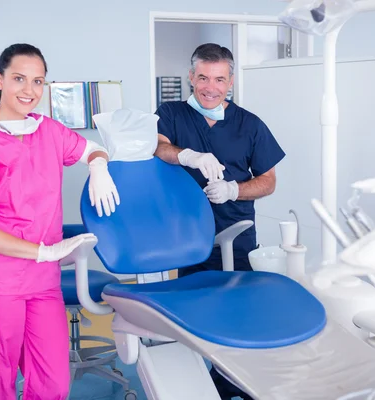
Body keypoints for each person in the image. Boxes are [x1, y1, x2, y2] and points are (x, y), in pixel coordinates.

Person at [0, 43, 120, 400]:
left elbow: (90, 148)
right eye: (19, 79)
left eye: (38, 81)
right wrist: (44, 252)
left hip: (42, 283)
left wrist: (99, 165)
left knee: (53, 382)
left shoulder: (49, 131)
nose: (29, 91)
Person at [153, 43, 286, 400]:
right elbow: (157, 145)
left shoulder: (250, 125)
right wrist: (188, 154)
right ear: (191, 78)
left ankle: (229, 387)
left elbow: (268, 181)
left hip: (237, 235)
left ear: (230, 82)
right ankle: (193, 384)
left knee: (238, 318)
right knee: (193, 317)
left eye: (219, 79)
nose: (210, 87)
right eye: (203, 78)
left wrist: (233, 190)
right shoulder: (172, 113)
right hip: (186, 237)